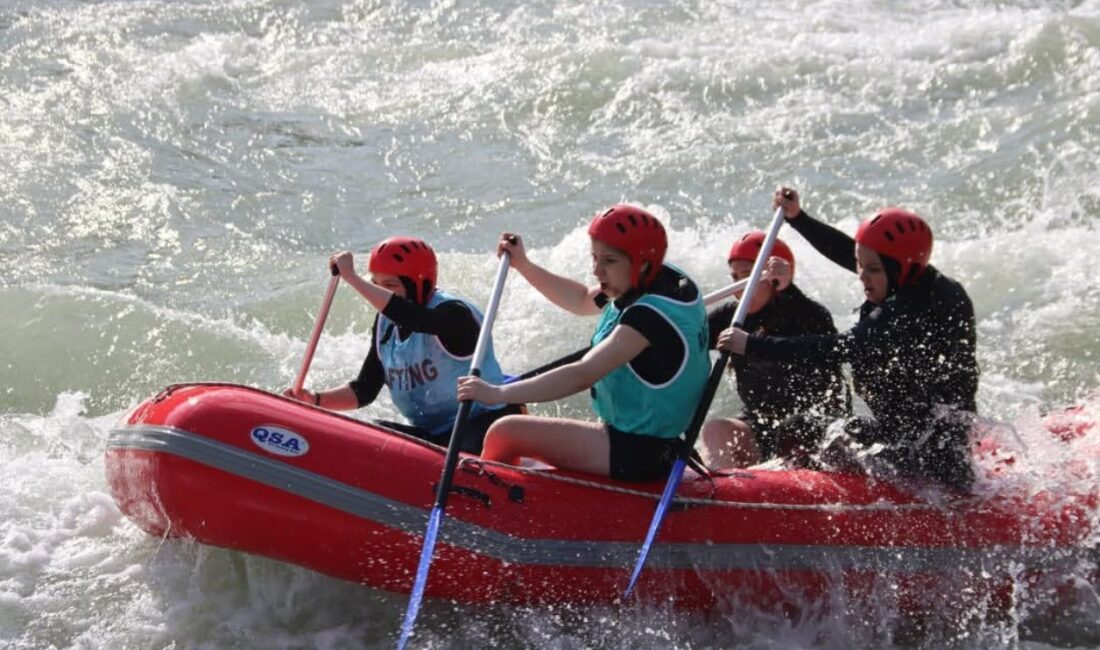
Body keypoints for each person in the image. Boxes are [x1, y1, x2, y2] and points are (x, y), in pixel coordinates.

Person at [719, 188, 979, 490]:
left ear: (901, 268)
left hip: (930, 455)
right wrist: (799, 219)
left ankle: (792, 505)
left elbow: (838, 348)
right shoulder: (907, 274)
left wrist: (752, 344)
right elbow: (855, 254)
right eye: (861, 266)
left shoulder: (910, 311)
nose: (861, 276)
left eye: (872, 270)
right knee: (802, 428)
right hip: (898, 433)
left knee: (810, 435)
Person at [456, 205, 710, 481]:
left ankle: (481, 499)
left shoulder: (646, 321)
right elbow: (580, 300)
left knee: (504, 432)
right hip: (660, 439)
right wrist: (523, 265)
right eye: (594, 257)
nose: (596, 270)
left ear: (643, 263)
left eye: (609, 261)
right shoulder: (657, 279)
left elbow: (581, 375)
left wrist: (497, 393)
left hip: (640, 452)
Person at [283, 236, 523, 454]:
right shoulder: (385, 325)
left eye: (389, 285)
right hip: (435, 437)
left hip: (486, 423)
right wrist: (314, 400)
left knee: (461, 448)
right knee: (366, 435)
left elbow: (414, 318)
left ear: (419, 284)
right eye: (375, 283)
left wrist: (353, 279)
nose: (378, 292)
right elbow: (364, 390)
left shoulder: (454, 315)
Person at [701, 231, 850, 469]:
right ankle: (726, 498)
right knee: (716, 430)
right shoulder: (730, 316)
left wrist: (788, 288)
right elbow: (685, 339)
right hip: (759, 425)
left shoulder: (808, 315)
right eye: (735, 277)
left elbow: (824, 339)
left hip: (811, 430)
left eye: (748, 276)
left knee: (793, 429)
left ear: (773, 278)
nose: (739, 287)